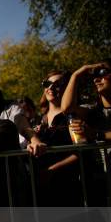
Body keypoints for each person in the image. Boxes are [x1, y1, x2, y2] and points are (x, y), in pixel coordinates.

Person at [60, 58, 111, 205]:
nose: (97, 79)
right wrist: (76, 75)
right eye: (94, 75)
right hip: (103, 182)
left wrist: (97, 134)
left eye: (102, 72)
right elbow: (67, 109)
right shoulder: (93, 111)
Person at [34, 71, 81, 206]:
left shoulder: (72, 116)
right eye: (47, 84)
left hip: (68, 185)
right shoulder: (38, 119)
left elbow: (82, 151)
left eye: (58, 84)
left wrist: (52, 170)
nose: (51, 88)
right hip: (41, 189)